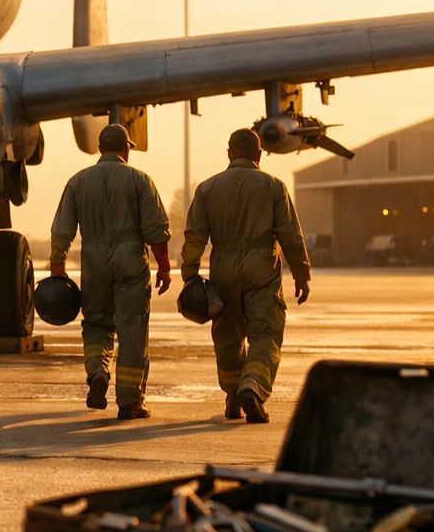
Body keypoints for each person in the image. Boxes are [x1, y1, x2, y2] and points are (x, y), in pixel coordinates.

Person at [180, 128, 312, 424]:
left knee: (227, 335)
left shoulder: (207, 188)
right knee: (265, 334)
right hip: (261, 267)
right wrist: (301, 273)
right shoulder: (273, 186)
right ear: (259, 154)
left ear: (229, 153)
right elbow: (290, 235)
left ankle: (232, 394)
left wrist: (190, 274)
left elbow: (195, 236)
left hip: (223, 268)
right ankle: (252, 386)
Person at [49, 123, 172, 419]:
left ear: (101, 148)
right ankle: (129, 401)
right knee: (132, 331)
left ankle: (97, 373)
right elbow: (156, 231)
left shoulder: (78, 181)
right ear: (126, 147)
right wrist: (164, 267)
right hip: (130, 258)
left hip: (93, 261)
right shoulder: (139, 180)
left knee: (96, 325)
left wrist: (58, 267)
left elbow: (62, 229)